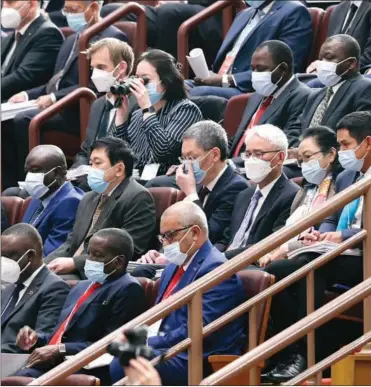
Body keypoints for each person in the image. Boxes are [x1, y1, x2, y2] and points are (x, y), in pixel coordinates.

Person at [263, 112, 371, 382]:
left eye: (346, 145)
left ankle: (306, 355)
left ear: (368, 143)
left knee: (310, 269)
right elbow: (330, 217)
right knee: (278, 269)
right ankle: (288, 353)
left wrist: (345, 237)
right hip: (344, 253)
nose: (342, 151)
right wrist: (323, 236)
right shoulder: (348, 176)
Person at [108, 202, 245, 386]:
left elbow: (198, 329)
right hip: (170, 347)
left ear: (195, 233)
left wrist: (149, 341)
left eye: (170, 236)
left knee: (124, 361)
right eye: (162, 237)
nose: (165, 243)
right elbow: (159, 316)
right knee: (111, 354)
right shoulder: (172, 267)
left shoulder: (216, 270)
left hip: (197, 356)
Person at [5, 1, 127, 185]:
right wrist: (27, 95)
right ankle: (9, 186)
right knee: (5, 121)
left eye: (74, 10)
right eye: (66, 10)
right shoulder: (71, 38)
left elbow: (95, 85)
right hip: (59, 105)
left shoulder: (112, 38)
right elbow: (56, 81)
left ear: (93, 8)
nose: (69, 15)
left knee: (24, 120)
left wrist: (54, 98)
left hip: (79, 109)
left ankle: (29, 181)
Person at [13, 228, 146, 379]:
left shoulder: (128, 288)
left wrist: (60, 349)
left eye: (97, 255)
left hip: (84, 366)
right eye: (88, 253)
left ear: (119, 262)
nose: (89, 260)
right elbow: (62, 333)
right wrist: (37, 339)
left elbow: (113, 342)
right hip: (53, 362)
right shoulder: (81, 286)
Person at [135, 121, 250, 279]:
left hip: (203, 265)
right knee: (140, 270)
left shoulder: (235, 187)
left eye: (192, 158)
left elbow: (207, 234)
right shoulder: (201, 185)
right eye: (184, 159)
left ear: (215, 155)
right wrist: (161, 251)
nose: (187, 165)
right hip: (180, 258)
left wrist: (190, 193)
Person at [45, 137, 156, 280]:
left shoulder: (138, 197)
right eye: (90, 163)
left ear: (119, 169)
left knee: (48, 284)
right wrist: (42, 266)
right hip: (73, 269)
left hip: (100, 274)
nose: (91, 169)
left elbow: (129, 249)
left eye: (97, 163)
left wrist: (74, 263)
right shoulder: (88, 198)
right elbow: (70, 243)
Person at [187, 0, 312, 99]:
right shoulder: (244, 14)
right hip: (219, 80)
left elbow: (286, 66)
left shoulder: (294, 11)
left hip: (249, 88)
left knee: (197, 92)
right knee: (178, 87)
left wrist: (225, 80)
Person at [258, 126, 340, 267]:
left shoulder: (341, 187)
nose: (304, 165)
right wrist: (272, 251)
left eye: (308, 157)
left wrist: (286, 249)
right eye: (301, 160)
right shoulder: (304, 190)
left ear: (331, 154)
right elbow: (286, 231)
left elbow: (322, 236)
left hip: (312, 255)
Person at [112, 49, 203, 176]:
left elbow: (163, 151)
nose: (139, 84)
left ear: (166, 82)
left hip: (166, 180)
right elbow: (119, 156)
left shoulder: (185, 109)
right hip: (137, 180)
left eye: (145, 80)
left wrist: (147, 110)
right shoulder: (139, 114)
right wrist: (121, 117)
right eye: (136, 78)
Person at [215, 124, 300, 259]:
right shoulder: (244, 195)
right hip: (224, 262)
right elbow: (226, 239)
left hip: (249, 267)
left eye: (258, 154)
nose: (251, 160)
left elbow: (268, 245)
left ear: (280, 157)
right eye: (248, 154)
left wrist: (222, 258)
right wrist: (210, 256)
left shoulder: (292, 195)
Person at [289, 34, 371, 146]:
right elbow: (296, 130)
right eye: (320, 59)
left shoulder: (366, 89)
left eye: (329, 58)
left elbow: (360, 138)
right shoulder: (315, 95)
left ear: (350, 64)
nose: (322, 64)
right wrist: (297, 151)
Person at [229, 40, 311, 167]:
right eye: (253, 69)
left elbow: (286, 145)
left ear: (283, 69)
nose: (255, 74)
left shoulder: (302, 97)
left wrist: (230, 164)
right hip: (235, 164)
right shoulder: (258, 94)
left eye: (260, 69)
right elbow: (238, 140)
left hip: (258, 168)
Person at [69, 38, 137, 171]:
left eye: (101, 67)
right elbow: (85, 151)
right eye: (93, 68)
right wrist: (73, 174)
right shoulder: (97, 105)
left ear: (121, 68)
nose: (95, 74)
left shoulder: (137, 105)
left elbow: (133, 154)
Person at [1, 224, 69, 354]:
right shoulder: (9, 286)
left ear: (30, 256)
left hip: (17, 362)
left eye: (8, 256)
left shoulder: (54, 288)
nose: (3, 262)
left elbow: (43, 340)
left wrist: (30, 338)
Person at [17, 146, 84, 256]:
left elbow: (51, 253)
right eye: (27, 171)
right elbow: (20, 238)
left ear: (57, 173)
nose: (29, 177)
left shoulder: (71, 202)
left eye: (35, 170)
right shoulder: (39, 195)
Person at [101, 0, 220, 61]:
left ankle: (165, 72)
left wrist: (183, 2)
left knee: (169, 12)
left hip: (213, 12)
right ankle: (109, 72)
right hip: (164, 11)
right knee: (110, 11)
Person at [1, 0, 63, 101]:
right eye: (4, 2)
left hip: (21, 103)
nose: (5, 7)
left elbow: (24, 76)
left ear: (32, 4)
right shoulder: (10, 37)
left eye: (11, 2)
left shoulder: (48, 34)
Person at [312, 0, 371, 69]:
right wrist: (319, 65)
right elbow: (327, 52)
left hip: (359, 76)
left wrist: (333, 69)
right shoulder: (339, 9)